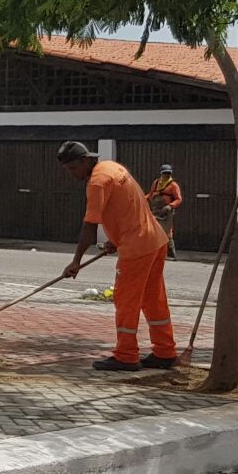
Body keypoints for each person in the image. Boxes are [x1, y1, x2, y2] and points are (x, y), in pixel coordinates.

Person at [57, 141, 177, 372]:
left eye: (73, 169)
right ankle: (165, 352)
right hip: (155, 240)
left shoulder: (97, 183)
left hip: (137, 247)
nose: (72, 175)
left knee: (126, 301)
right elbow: (131, 206)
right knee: (153, 299)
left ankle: (126, 356)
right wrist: (115, 240)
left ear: (85, 161)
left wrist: (76, 262)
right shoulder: (113, 168)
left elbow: (89, 228)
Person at [146, 164, 183, 260]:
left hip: (167, 212)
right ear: (161, 173)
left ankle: (171, 253)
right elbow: (151, 194)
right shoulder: (156, 182)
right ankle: (155, 252)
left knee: (166, 232)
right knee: (154, 231)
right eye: (164, 173)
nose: (166, 175)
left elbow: (179, 199)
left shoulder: (173, 185)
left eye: (168, 173)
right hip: (155, 210)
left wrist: (170, 206)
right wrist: (143, 199)